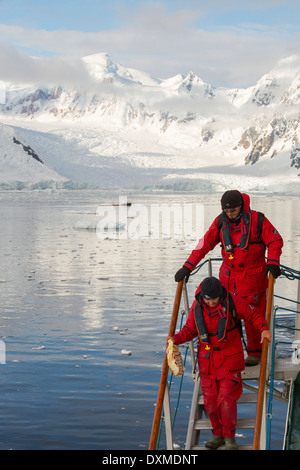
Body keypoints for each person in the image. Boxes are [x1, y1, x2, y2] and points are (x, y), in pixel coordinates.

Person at [175, 190, 283, 366]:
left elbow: (275, 240)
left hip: (253, 281)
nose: (230, 214)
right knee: (225, 318)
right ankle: (229, 354)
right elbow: (204, 244)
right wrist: (188, 266)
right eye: (227, 211)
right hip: (228, 282)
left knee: (253, 316)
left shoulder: (258, 220)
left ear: (241, 206)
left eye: (233, 210)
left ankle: (256, 354)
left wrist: (273, 262)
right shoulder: (220, 222)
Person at [166, 276, 272, 450]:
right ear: (203, 297)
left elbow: (253, 314)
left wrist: (264, 329)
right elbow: (190, 329)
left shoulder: (231, 300)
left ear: (220, 295)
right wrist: (175, 339)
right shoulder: (197, 307)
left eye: (215, 299)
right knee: (210, 401)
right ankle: (218, 434)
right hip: (208, 362)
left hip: (230, 359)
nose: (212, 302)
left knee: (226, 399)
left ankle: (230, 437)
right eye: (209, 299)